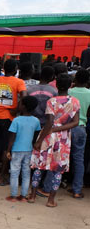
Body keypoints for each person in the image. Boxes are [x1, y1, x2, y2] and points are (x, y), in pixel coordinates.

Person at [28, 74, 80, 207]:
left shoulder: (51, 101)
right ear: (70, 85)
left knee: (39, 166)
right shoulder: (75, 102)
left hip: (48, 135)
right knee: (57, 170)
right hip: (63, 140)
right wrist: (59, 129)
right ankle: (51, 200)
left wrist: (39, 140)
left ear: (56, 85)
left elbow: (50, 121)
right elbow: (75, 123)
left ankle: (33, 196)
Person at [5, 96, 40, 202]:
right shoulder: (36, 121)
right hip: (29, 150)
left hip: (16, 150)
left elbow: (12, 137)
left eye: (20, 103)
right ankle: (23, 196)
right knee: (26, 172)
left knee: (15, 172)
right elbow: (36, 135)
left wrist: (8, 150)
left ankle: (13, 196)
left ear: (23, 106)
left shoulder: (16, 120)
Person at [68, 69, 90, 198]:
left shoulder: (69, 92)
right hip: (81, 127)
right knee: (78, 159)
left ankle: (51, 186)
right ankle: (76, 190)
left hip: (66, 126)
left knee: (62, 157)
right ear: (88, 81)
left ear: (75, 79)